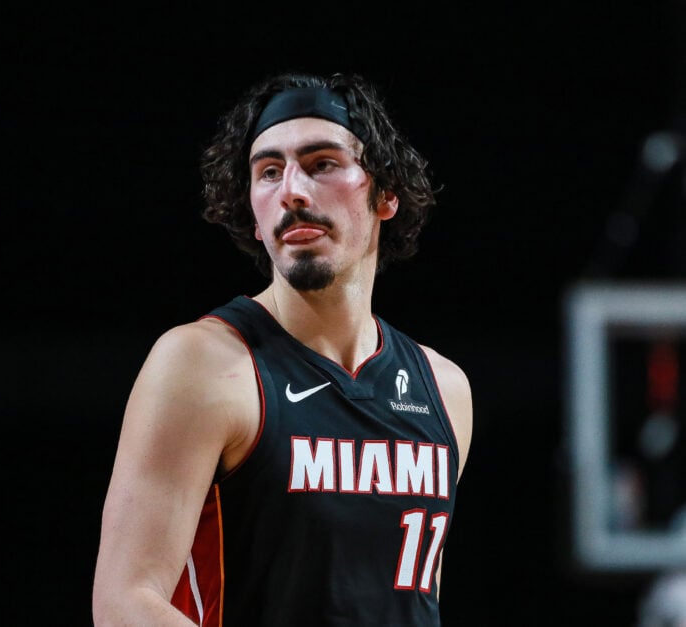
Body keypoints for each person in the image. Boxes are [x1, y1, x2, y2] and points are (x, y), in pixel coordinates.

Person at [92, 70, 473, 626]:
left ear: (386, 193)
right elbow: (124, 603)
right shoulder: (204, 364)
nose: (291, 190)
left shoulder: (444, 389)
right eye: (269, 171)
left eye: (322, 164)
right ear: (252, 210)